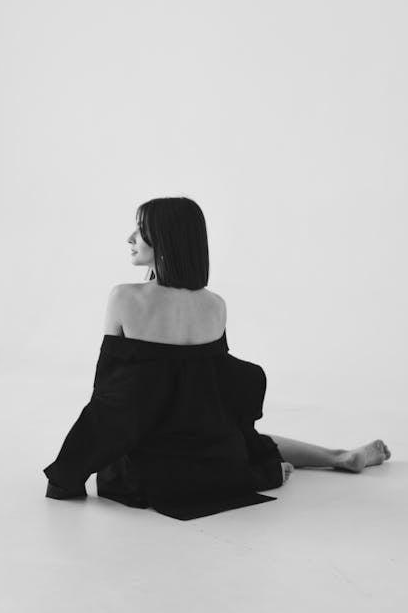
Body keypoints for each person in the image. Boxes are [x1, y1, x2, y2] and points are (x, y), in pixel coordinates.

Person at [43, 197, 390, 520]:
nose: (130, 237)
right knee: (251, 440)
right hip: (211, 454)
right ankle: (339, 456)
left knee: (215, 442)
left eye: (141, 230)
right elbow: (209, 393)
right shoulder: (215, 305)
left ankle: (337, 457)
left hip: (149, 471)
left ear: (166, 239)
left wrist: (69, 473)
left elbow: (110, 398)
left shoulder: (124, 298)